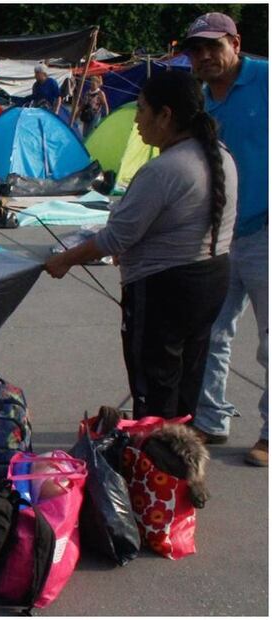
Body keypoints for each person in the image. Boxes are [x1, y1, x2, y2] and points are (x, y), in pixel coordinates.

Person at [45, 71, 237, 420]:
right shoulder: (221, 155)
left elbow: (115, 237)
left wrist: (65, 260)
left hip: (166, 289)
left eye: (142, 109)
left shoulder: (164, 169)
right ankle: (181, 456)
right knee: (187, 379)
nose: (135, 119)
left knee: (155, 384)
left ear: (165, 115)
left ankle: (158, 459)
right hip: (212, 277)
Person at [182, 12, 269, 466]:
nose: (203, 57)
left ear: (236, 42)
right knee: (212, 330)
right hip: (221, 232)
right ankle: (210, 419)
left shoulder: (266, 80)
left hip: (266, 228)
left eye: (212, 46)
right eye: (195, 50)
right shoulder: (199, 101)